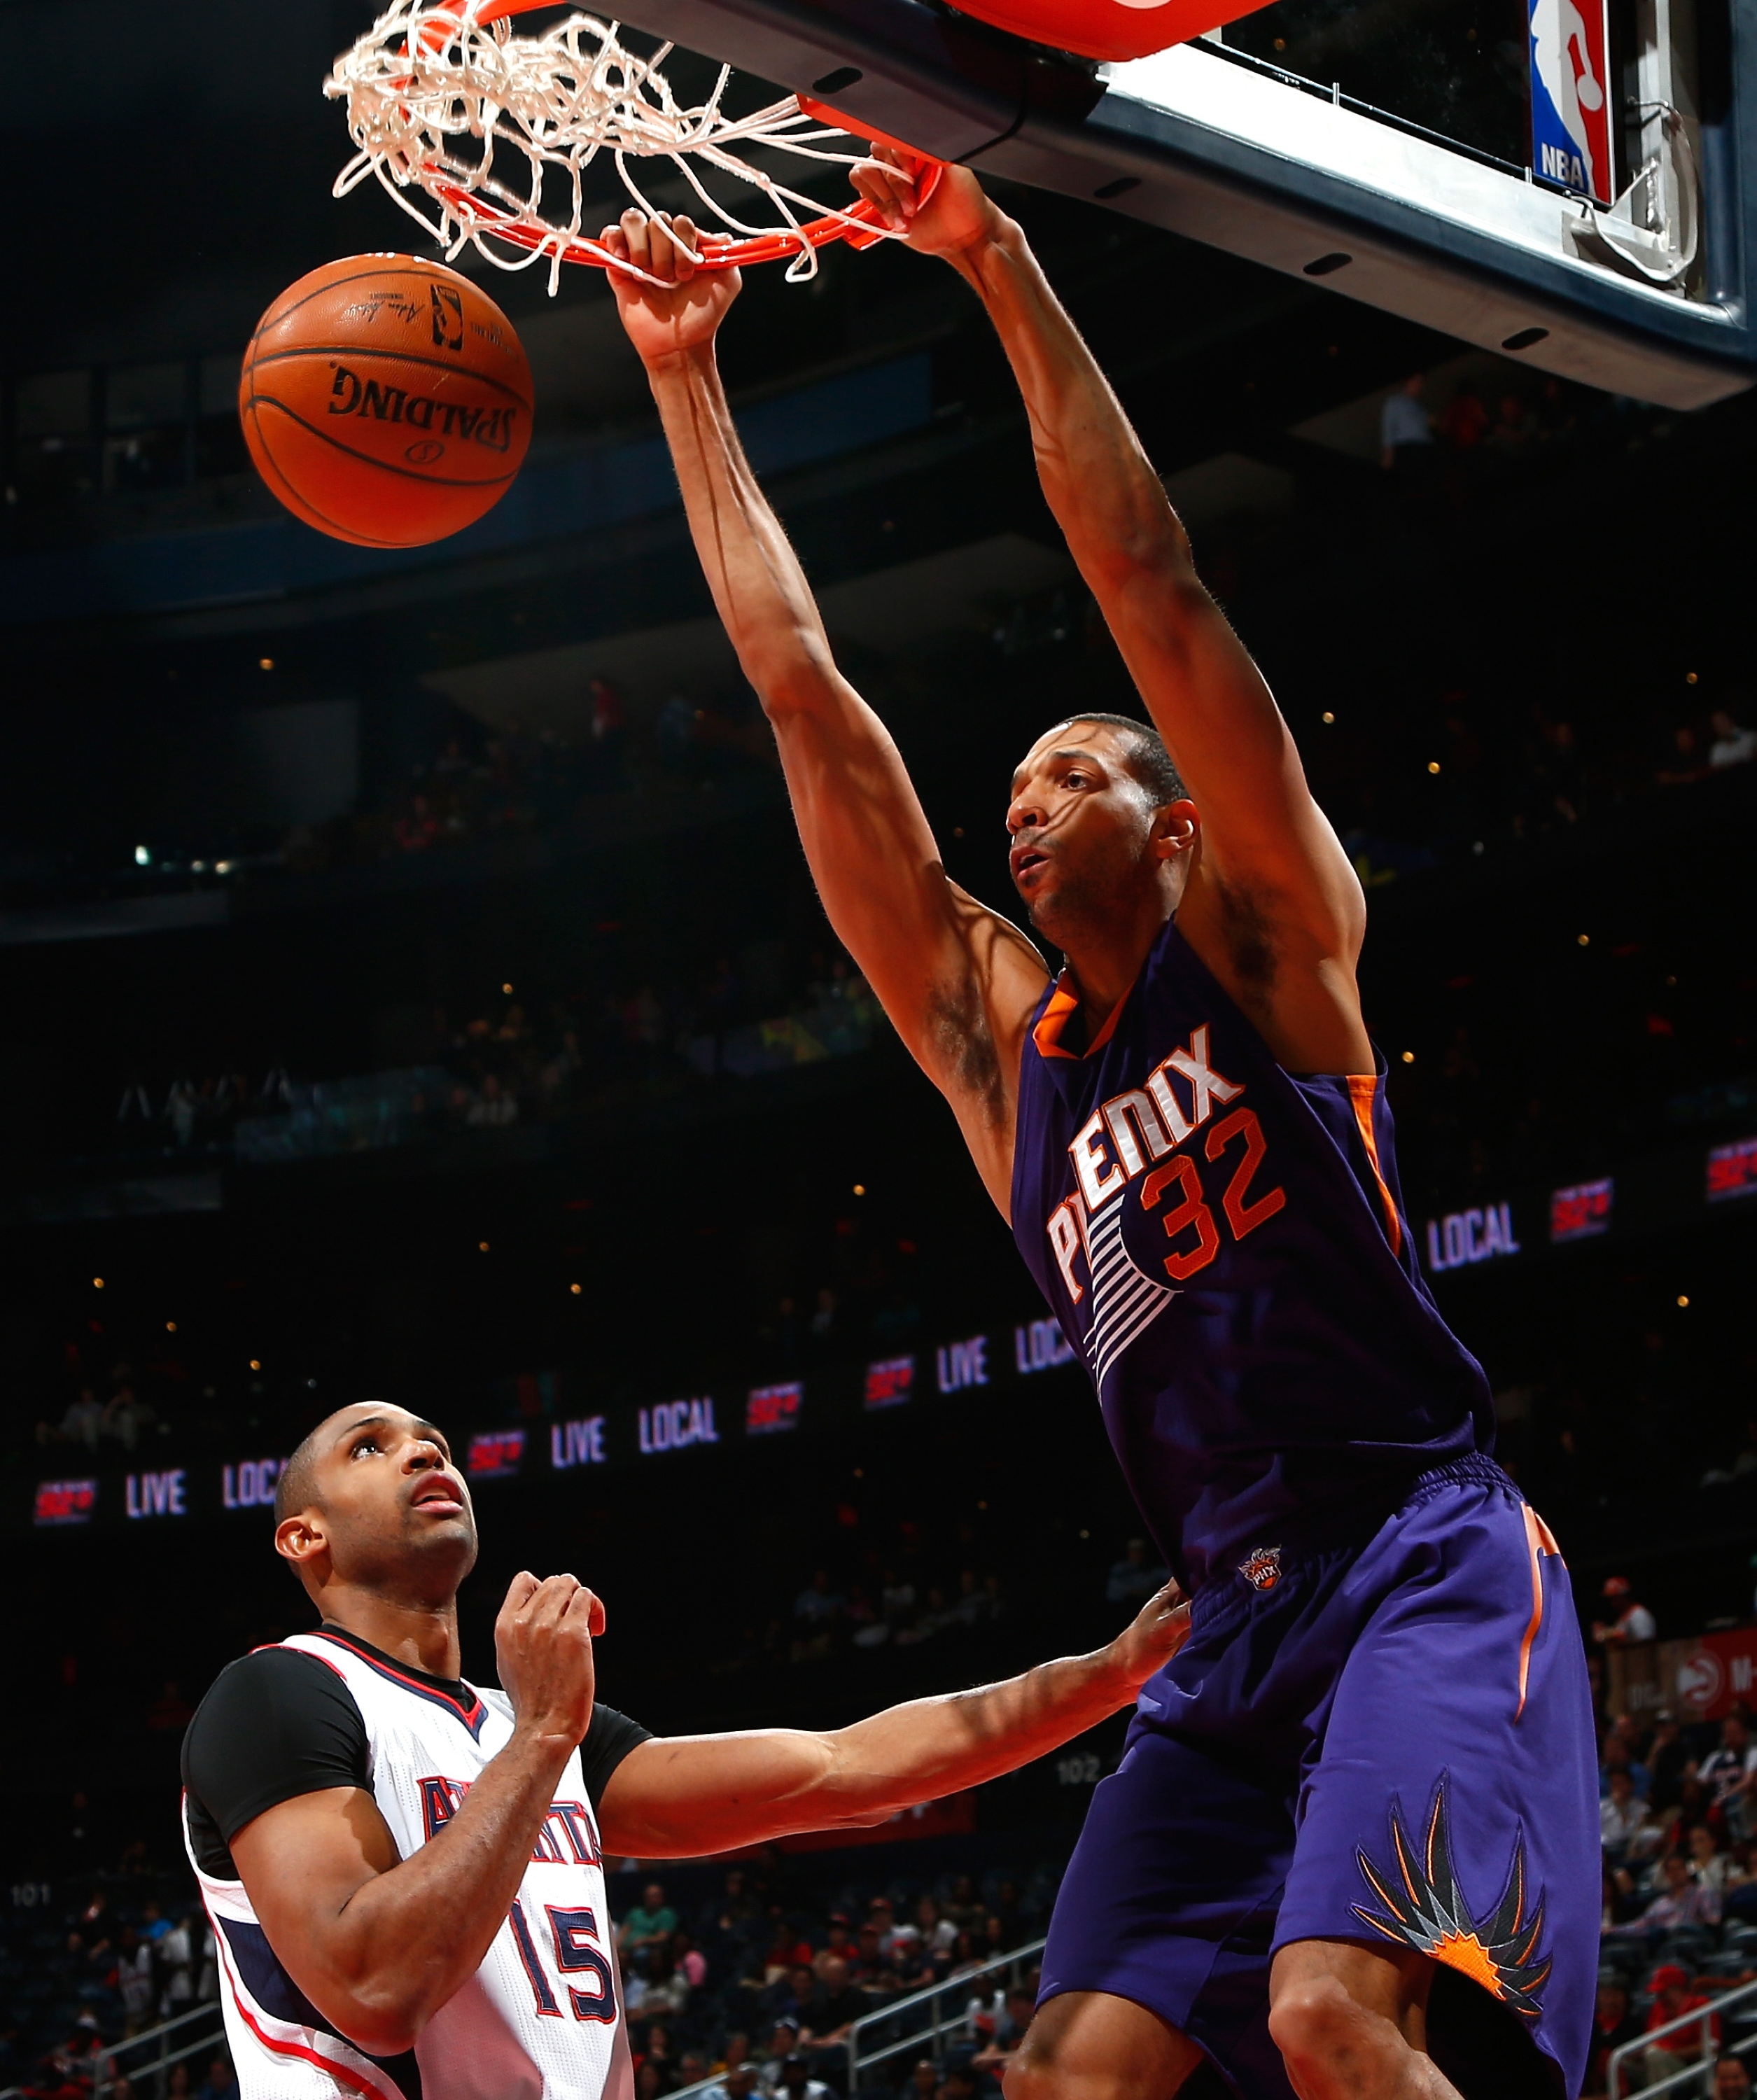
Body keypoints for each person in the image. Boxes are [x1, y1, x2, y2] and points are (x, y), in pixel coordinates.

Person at [601, 155, 1596, 2099]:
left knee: (1326, 2015)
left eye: (1072, 769)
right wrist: (680, 378)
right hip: (1210, 1636)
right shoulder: (1003, 1054)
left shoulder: (1269, 941)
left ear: (1178, 822)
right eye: (1013, 785)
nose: (1026, 800)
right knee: (1064, 2074)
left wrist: (992, 254)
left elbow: (1144, 571)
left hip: (1412, 1551)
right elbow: (803, 697)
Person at [180, 1401, 1187, 2100]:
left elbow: (852, 1770)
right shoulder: (277, 1693)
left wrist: (1108, 1673)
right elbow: (374, 1989)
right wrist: (540, 1736)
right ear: (302, 1539)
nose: (424, 1455)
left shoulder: (537, 1724)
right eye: (372, 1446)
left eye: (435, 1442)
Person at [1592, 1576, 1657, 1646]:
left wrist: (1623, 1642)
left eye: (1615, 1598)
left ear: (1624, 1596)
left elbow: (1647, 1642)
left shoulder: (1639, 1614)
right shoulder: (1623, 1616)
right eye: (1610, 1599)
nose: (1612, 1602)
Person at [620, 1883, 678, 1959]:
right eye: (648, 1896)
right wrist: (617, 1945)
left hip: (647, 1948)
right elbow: (624, 1931)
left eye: (654, 1896)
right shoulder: (635, 1912)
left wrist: (643, 1941)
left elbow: (663, 1937)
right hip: (626, 1947)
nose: (651, 1898)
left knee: (641, 1954)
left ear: (661, 1897)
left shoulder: (667, 1914)